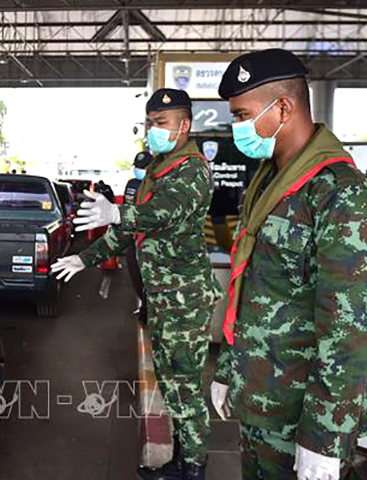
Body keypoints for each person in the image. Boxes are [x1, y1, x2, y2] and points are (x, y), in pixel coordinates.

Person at [209, 49, 367, 480]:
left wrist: (324, 437)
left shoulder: (346, 199)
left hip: (304, 418)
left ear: (283, 108)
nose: (235, 127)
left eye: (241, 115)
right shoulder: (267, 183)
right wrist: (228, 368)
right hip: (260, 400)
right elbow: (251, 289)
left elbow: (350, 334)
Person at [52, 89, 221, 480]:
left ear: (185, 125)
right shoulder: (161, 168)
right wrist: (85, 258)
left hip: (184, 300)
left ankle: (194, 469)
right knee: (171, 384)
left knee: (185, 389)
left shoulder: (192, 171)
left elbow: (157, 213)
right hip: (163, 297)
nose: (154, 131)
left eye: (161, 124)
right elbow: (132, 231)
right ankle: (182, 459)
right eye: (150, 124)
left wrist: (117, 211)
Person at [124, 151, 154, 323]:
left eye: (143, 168)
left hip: (151, 240)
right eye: (137, 167)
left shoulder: (160, 185)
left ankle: (148, 309)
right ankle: (144, 304)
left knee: (150, 276)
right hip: (133, 237)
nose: (139, 170)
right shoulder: (132, 184)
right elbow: (127, 209)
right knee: (134, 272)